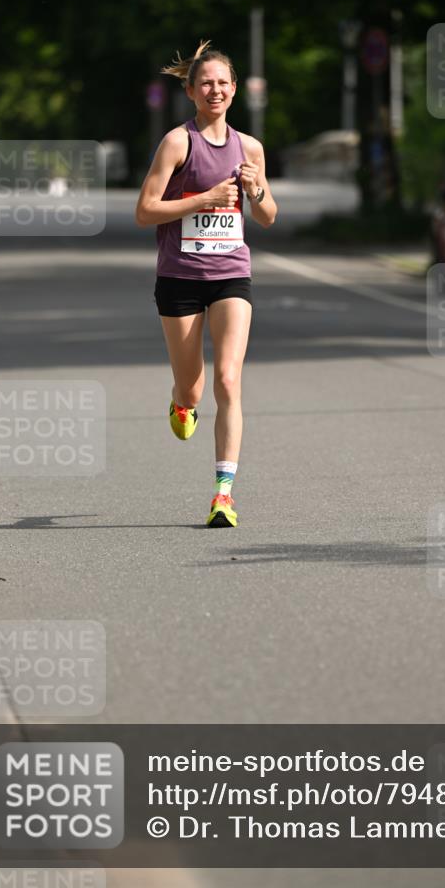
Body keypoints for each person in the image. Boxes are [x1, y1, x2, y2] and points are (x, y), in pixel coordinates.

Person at [135, 40, 277, 527]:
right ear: (192, 92)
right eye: (206, 84)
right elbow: (144, 211)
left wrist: (255, 189)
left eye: (223, 83)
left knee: (229, 379)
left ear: (234, 91)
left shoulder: (250, 147)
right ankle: (180, 402)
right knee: (194, 390)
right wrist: (203, 199)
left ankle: (224, 493)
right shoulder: (179, 143)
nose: (215, 90)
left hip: (232, 273)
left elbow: (268, 215)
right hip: (179, 277)